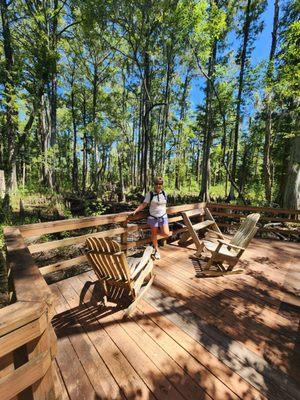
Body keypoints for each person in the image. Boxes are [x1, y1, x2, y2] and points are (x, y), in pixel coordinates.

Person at [132, 176, 170, 259]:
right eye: (156, 183)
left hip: (163, 217)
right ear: (154, 184)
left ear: (162, 184)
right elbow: (144, 204)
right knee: (154, 234)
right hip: (153, 218)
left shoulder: (165, 193)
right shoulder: (150, 194)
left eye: (160, 184)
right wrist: (136, 210)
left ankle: (153, 237)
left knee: (166, 233)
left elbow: (165, 204)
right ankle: (156, 251)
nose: (158, 185)